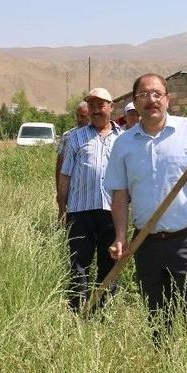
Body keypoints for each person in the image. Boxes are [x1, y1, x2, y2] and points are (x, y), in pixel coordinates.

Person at [105, 73, 187, 342]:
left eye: (157, 94)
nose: (151, 100)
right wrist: (121, 237)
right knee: (157, 315)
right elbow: (120, 195)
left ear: (167, 99)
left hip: (186, 240)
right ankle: (163, 364)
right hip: (145, 242)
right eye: (144, 95)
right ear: (135, 102)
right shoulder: (123, 143)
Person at [57, 88, 124, 312]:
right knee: (79, 263)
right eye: (92, 105)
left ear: (111, 107)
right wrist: (62, 208)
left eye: (100, 105)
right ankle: (77, 310)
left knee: (109, 262)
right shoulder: (75, 137)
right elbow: (65, 175)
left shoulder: (123, 138)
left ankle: (102, 310)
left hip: (112, 212)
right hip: (80, 211)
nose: (95, 110)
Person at [56, 102, 89, 208]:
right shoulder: (68, 136)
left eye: (83, 116)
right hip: (71, 191)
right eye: (77, 115)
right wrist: (60, 195)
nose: (79, 119)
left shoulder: (97, 137)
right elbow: (59, 167)